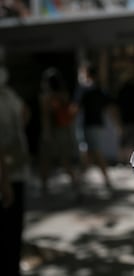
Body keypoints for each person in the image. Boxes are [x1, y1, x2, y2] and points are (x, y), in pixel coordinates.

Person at [0, 64, 30, 276]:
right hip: (11, 173)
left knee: (10, 229)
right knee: (11, 229)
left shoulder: (7, 96)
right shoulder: (9, 95)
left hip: (10, 173)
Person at [38, 67, 79, 195]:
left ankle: (44, 188)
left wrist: (46, 134)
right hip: (64, 131)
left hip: (52, 131)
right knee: (65, 161)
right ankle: (75, 185)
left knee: (45, 160)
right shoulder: (64, 95)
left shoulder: (47, 97)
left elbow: (46, 116)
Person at [74, 61, 114, 190]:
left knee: (92, 153)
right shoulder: (100, 89)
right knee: (91, 153)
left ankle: (80, 180)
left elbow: (74, 108)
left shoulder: (84, 90)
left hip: (87, 125)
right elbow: (109, 107)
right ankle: (81, 180)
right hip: (97, 124)